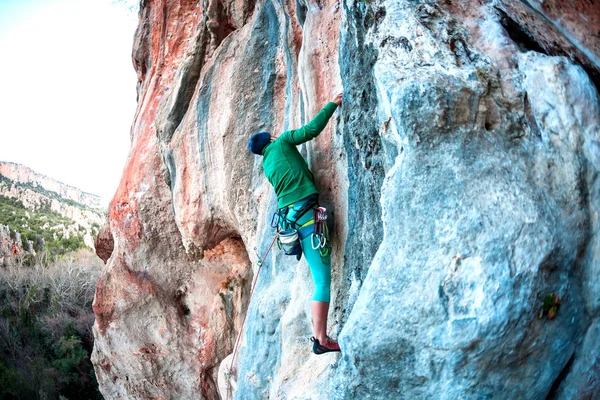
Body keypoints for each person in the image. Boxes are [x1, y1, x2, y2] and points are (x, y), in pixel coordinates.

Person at [248, 93, 343, 354]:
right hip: (308, 220)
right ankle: (321, 340)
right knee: (322, 281)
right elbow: (311, 130)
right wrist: (332, 104)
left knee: (319, 278)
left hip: (294, 223)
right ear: (272, 138)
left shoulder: (267, 165)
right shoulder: (284, 142)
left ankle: (321, 337)